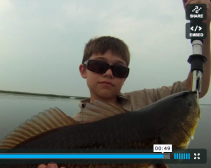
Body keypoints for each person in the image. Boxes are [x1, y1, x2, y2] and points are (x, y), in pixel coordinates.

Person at [38, 0, 210, 167]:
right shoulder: (69, 128)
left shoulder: (147, 100)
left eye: (119, 69)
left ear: (125, 76)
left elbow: (195, 89)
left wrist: (204, 28)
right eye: (99, 65)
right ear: (83, 70)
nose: (108, 73)